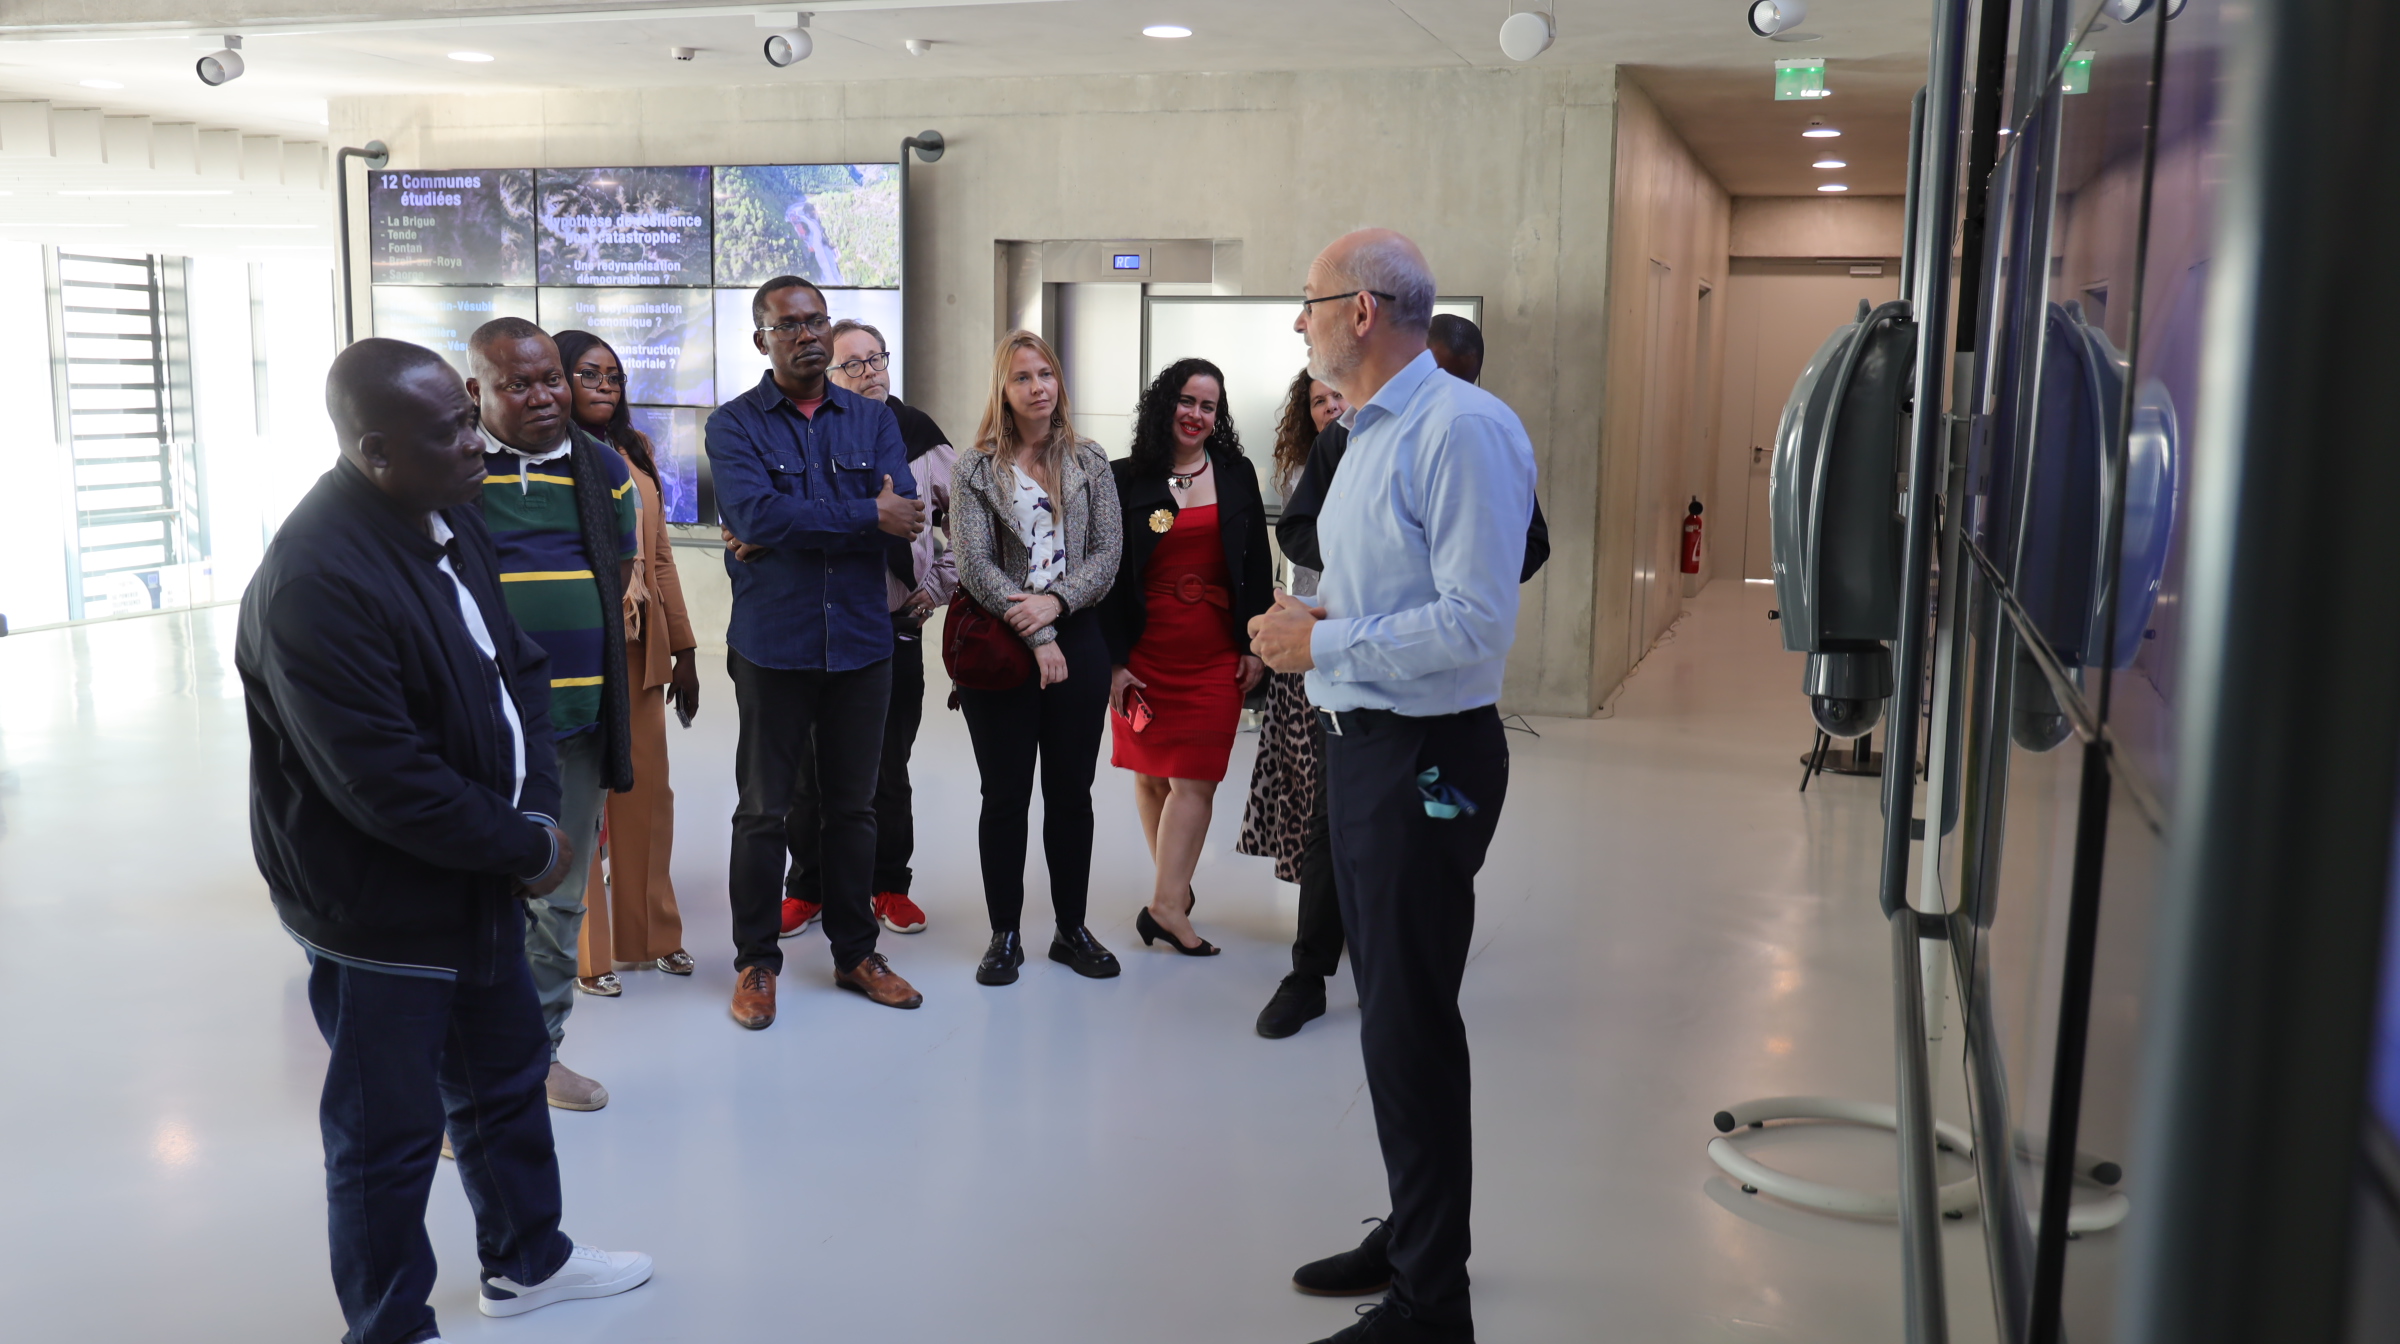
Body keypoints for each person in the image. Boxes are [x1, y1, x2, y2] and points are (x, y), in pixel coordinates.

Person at [238, 337, 652, 1342]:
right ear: (375, 450)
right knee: (388, 1132)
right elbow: (383, 783)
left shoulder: (446, 510)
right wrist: (526, 849)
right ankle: (388, 1326)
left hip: (477, 870)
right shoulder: (315, 579)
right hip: (379, 905)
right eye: (449, 431)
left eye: (470, 420)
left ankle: (528, 1262)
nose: (476, 443)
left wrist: (537, 811)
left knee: (504, 1078)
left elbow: (517, 667)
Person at [1252, 229, 1535, 1344]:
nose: (1300, 321)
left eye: (1309, 301)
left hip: (1426, 757)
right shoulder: (1365, 430)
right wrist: (1318, 622)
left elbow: (1474, 624)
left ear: (1362, 311)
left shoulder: (1461, 430)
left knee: (1410, 1024)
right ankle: (1417, 1236)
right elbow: (1390, 589)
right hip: (1367, 744)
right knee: (1388, 1024)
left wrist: (1320, 643)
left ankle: (1431, 1303)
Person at [707, 275, 928, 1029]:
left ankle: (856, 953)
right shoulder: (733, 425)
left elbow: (907, 514)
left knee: (853, 809)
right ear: (761, 338)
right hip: (773, 644)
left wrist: (791, 524)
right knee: (763, 810)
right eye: (789, 324)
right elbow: (753, 515)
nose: (807, 335)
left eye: (817, 321)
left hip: (862, 643)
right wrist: (864, 513)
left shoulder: (872, 419)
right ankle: (755, 963)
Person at [467, 316, 638, 1113]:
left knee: (558, 899)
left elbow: (620, 568)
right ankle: (462, 1080)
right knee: (470, 902)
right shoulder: (453, 470)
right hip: (477, 732)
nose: (544, 397)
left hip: (576, 722)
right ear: (476, 391)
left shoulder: (604, 469)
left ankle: (537, 1058)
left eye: (552, 380)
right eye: (518, 384)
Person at [947, 329, 1125, 986]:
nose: (1037, 387)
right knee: (1005, 795)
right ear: (1004, 389)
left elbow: (1107, 554)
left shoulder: (1090, 459)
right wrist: (1036, 632)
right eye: (1022, 377)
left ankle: (1071, 929)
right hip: (1003, 640)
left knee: (1071, 794)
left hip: (1077, 633)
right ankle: (1005, 934)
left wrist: (1057, 606)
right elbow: (973, 563)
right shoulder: (974, 469)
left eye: (1045, 374)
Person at [775, 318, 958, 940]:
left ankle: (888, 885)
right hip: (817, 624)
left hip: (891, 628)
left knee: (886, 767)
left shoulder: (919, 435)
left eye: (876, 358)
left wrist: (934, 589)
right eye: (852, 364)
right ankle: (808, 886)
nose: (869, 372)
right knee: (808, 767)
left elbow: (970, 527)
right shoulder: (812, 435)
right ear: (827, 372)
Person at [1101, 358, 1272, 956]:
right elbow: (1107, 577)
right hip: (1145, 652)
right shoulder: (1125, 478)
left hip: (1213, 651)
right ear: (1165, 405)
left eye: (1209, 406)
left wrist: (1253, 644)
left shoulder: (1236, 472)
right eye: (1187, 401)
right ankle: (1172, 893)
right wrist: (1113, 662)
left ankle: (1166, 906)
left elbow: (1256, 562)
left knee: (1196, 780)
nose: (1196, 414)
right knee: (1151, 776)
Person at [551, 330, 700, 997]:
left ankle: (653, 938)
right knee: (582, 799)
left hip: (640, 643)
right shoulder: (548, 454)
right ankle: (590, 954)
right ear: (559, 379)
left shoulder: (634, 449)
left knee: (647, 794)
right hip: (581, 645)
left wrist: (685, 648)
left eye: (613, 374)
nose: (606, 385)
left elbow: (660, 555)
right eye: (589, 373)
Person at [1238, 370, 1348, 1037]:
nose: (1330, 406)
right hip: (1314, 644)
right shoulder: (1306, 465)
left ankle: (1382, 938)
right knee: (1320, 810)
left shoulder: (1444, 443)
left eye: (1337, 396)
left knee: (1417, 818)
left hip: (1409, 674)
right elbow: (1295, 543)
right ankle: (1309, 971)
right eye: (1318, 400)